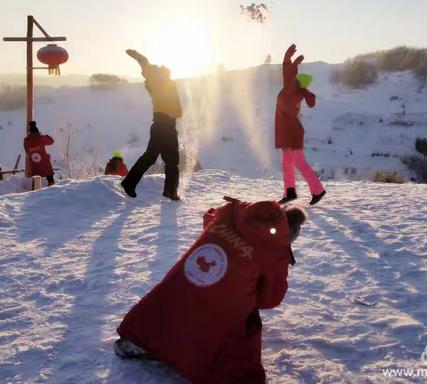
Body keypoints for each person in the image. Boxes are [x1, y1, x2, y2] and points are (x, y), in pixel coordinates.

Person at [114, 197, 306, 384]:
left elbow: (208, 217)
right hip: (218, 311)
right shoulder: (275, 250)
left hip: (182, 285)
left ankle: (140, 340)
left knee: (170, 298)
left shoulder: (233, 213)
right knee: (239, 332)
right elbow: (270, 299)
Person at [120, 49, 183, 200]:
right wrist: (140, 57)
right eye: (163, 71)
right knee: (166, 160)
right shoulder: (158, 83)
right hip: (163, 125)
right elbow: (147, 67)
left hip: (166, 126)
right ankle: (168, 191)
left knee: (162, 159)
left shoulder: (165, 84)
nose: (166, 71)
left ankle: (167, 190)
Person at [275, 44, 326, 205]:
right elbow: (289, 77)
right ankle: (290, 192)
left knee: (299, 162)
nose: (292, 80)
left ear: (297, 84)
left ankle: (318, 190)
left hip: (292, 133)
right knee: (287, 163)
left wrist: (288, 61)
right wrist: (291, 63)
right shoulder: (294, 91)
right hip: (287, 132)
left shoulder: (292, 92)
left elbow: (288, 77)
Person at [23, 121, 55, 186]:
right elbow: (51, 141)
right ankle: (52, 192)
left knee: (36, 183)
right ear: (37, 131)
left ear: (29, 132)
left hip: (35, 165)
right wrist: (45, 136)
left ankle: (35, 193)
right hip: (45, 164)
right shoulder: (41, 138)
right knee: (50, 180)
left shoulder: (26, 141)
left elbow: (27, 152)